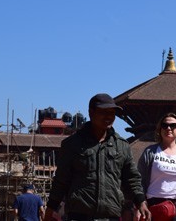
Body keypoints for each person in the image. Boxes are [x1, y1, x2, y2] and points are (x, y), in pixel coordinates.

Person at [43, 93, 151, 221]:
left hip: (111, 216)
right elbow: (61, 181)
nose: (108, 117)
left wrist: (141, 202)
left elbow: (132, 178)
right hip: (79, 216)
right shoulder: (72, 144)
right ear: (91, 113)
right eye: (103, 112)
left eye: (112, 113)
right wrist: (50, 211)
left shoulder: (122, 146)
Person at [138, 113, 176, 220]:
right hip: (154, 202)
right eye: (164, 125)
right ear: (160, 129)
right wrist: (140, 203)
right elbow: (140, 179)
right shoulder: (150, 152)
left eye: (173, 125)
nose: (168, 128)